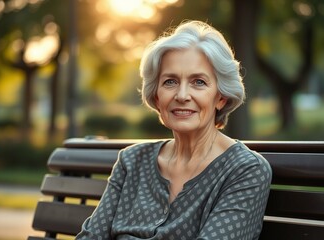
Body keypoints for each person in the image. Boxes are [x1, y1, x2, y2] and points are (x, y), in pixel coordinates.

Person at [76, 20, 272, 240]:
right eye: (170, 82)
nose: (182, 95)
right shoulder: (131, 161)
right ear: (157, 96)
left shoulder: (245, 170)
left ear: (221, 97)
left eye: (198, 82)